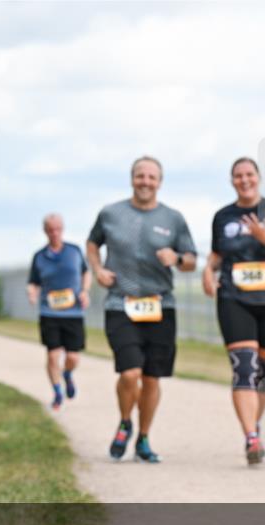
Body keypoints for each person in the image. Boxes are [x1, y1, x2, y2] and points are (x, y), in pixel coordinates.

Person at [87, 156, 198, 464]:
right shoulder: (110, 213)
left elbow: (191, 261)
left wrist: (175, 258)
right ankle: (125, 422)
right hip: (119, 303)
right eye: (140, 176)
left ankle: (144, 438)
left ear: (159, 182)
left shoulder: (173, 218)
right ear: (132, 179)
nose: (145, 181)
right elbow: (92, 243)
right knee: (130, 371)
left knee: (151, 378)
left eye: (151, 177)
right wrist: (97, 269)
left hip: (160, 306)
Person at [202, 158, 265, 464]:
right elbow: (217, 254)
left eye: (249, 175)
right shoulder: (223, 216)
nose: (244, 180)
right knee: (244, 366)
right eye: (238, 176)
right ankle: (251, 437)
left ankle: (253, 424)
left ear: (258, 178)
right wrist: (208, 271)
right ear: (232, 181)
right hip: (234, 299)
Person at [27, 213, 90, 410]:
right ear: (45, 231)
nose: (54, 233)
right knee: (53, 356)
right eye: (50, 230)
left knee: (73, 357)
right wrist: (32, 294)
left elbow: (85, 273)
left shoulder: (74, 251)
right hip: (49, 312)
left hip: (73, 313)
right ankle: (57, 392)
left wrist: (85, 291)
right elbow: (33, 282)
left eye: (58, 229)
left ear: (62, 229)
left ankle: (67, 374)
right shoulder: (39, 257)